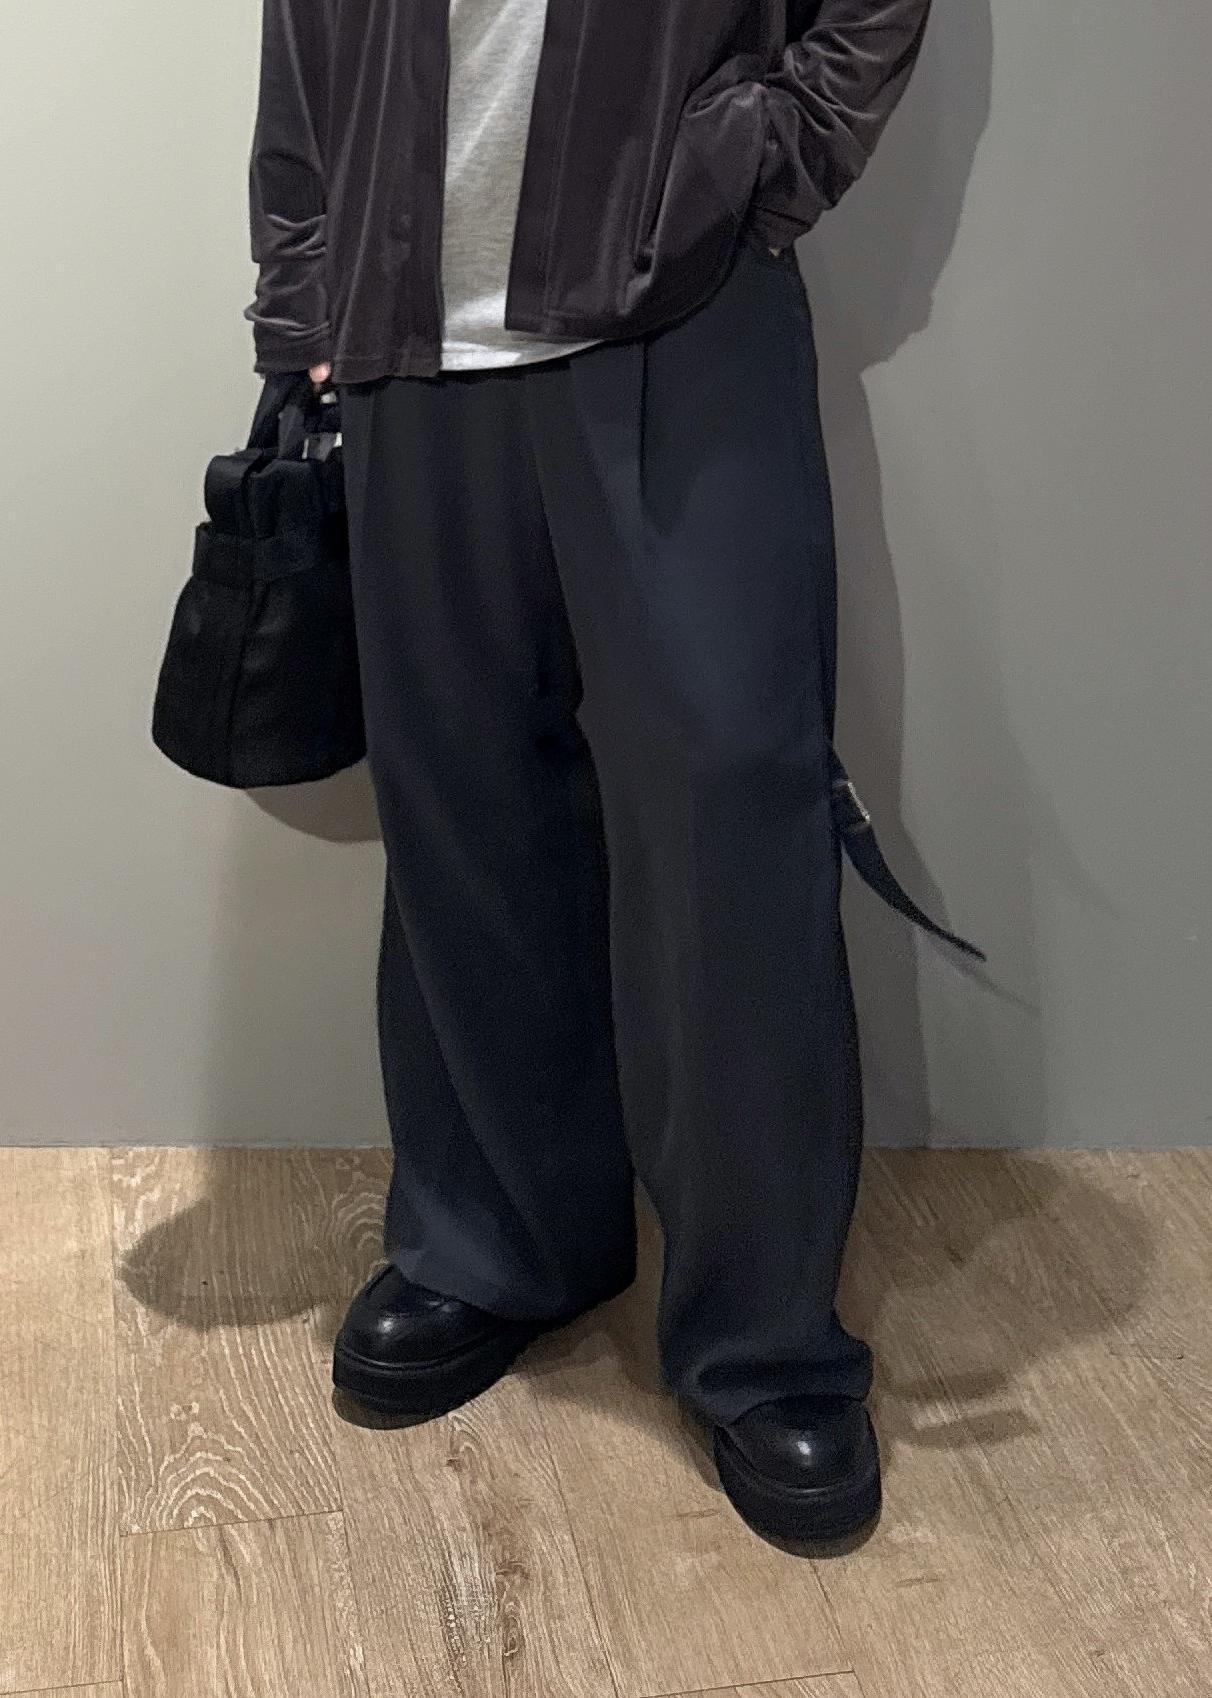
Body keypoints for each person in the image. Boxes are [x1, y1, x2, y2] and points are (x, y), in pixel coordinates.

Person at [245, 0, 977, 1547]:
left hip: (675, 310)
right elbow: (301, 33)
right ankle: (497, 1240)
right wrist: (302, 283)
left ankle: (762, 1330)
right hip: (401, 338)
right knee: (457, 809)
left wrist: (761, 156)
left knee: (729, 817)